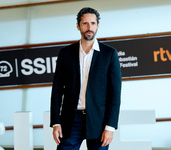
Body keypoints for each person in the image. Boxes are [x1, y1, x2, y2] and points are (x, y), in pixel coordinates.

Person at [50, 7, 122, 150]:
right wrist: (56, 122)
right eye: (85, 23)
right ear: (78, 26)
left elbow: (115, 94)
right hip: (71, 120)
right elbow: (57, 90)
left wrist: (110, 127)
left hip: (99, 121)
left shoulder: (109, 54)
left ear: (98, 25)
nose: (90, 27)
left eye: (93, 23)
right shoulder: (66, 53)